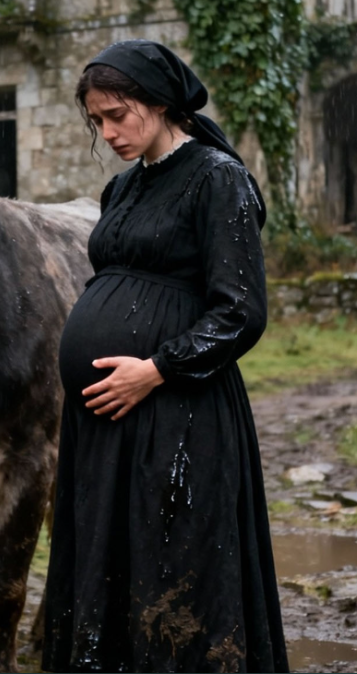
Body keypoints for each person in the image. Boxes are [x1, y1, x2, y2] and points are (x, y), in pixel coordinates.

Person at [42, 39, 289, 673]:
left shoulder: (217, 177)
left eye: (118, 115)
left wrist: (154, 370)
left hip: (177, 413)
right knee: (110, 556)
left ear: (161, 104)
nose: (108, 131)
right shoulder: (121, 188)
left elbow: (240, 311)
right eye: (97, 120)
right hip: (105, 423)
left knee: (173, 562)